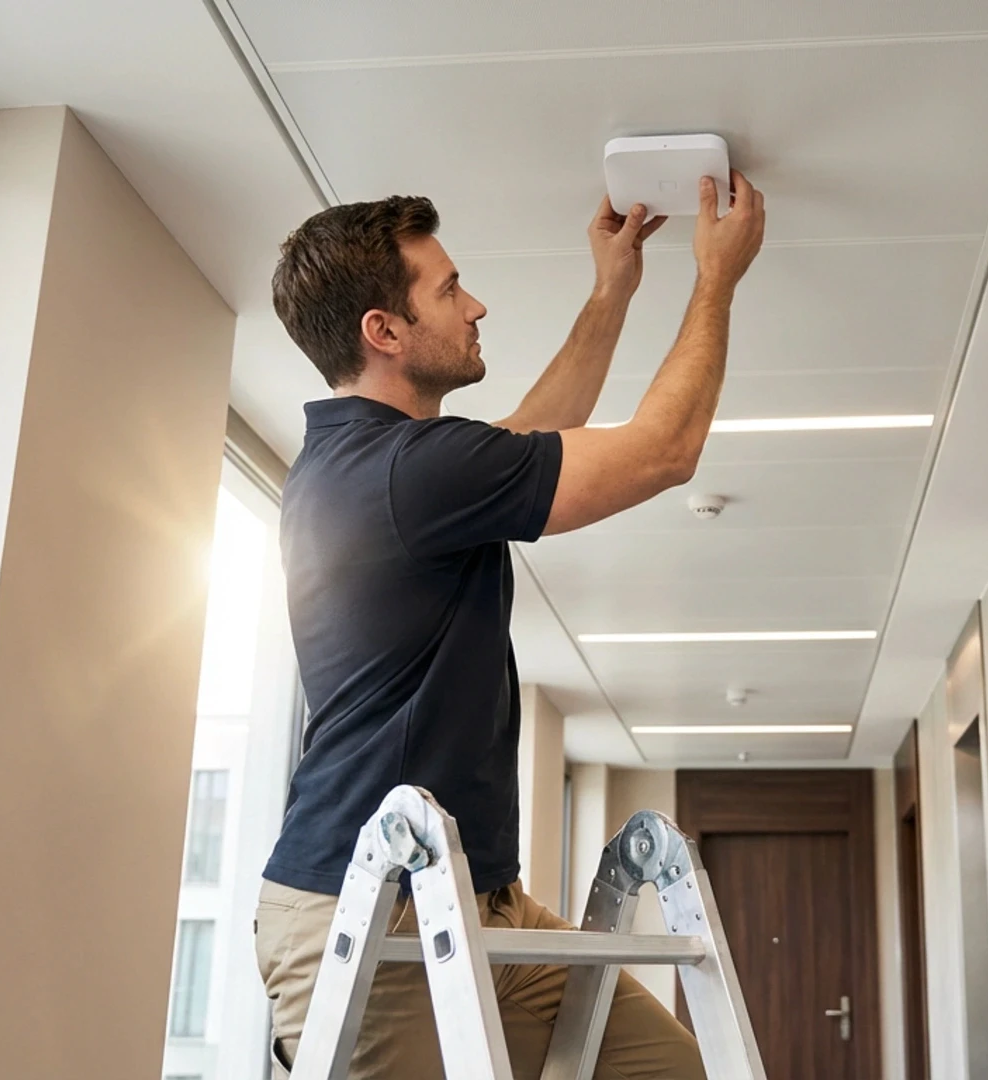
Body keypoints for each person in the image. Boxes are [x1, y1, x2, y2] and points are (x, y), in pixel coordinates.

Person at [253, 170, 765, 1079]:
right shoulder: (401, 473)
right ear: (385, 332)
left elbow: (533, 432)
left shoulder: (381, 464)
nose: (474, 304)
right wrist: (717, 280)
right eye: (448, 290)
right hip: (363, 909)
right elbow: (664, 452)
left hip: (478, 902)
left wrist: (613, 290)